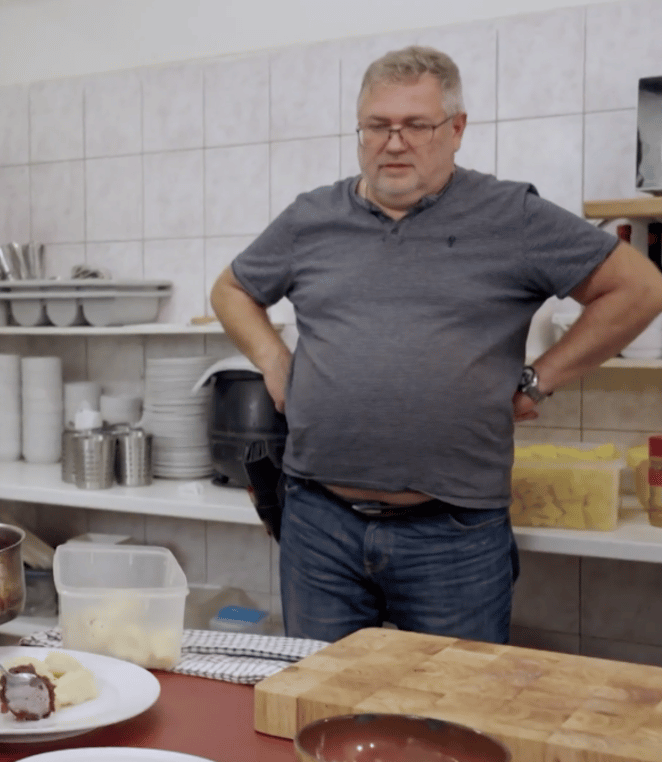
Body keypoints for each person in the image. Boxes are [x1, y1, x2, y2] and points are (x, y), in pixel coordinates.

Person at [210, 45, 662, 645]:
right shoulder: (310, 218)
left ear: (456, 130)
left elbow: (638, 288)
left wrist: (540, 377)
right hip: (319, 522)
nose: (394, 142)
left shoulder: (511, 216)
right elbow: (232, 289)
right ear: (360, 132)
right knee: (321, 714)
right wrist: (273, 359)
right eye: (378, 125)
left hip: (454, 534)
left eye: (415, 125)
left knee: (452, 724)